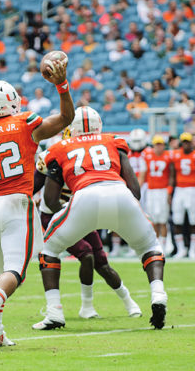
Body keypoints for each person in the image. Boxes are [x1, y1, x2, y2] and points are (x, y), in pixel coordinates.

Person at [0, 58, 74, 350]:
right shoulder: (25, 123)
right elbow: (65, 119)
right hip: (16, 203)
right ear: (10, 102)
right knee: (16, 270)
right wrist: (62, 86)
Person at [34, 107, 167, 332]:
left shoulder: (58, 148)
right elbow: (135, 189)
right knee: (150, 247)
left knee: (49, 250)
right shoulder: (113, 141)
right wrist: (121, 218)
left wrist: (76, 222)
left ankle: (55, 312)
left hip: (84, 196)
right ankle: (158, 294)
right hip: (119, 192)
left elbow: (49, 197)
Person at [34, 135, 142, 323]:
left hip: (78, 213)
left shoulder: (88, 160)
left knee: (101, 262)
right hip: (57, 214)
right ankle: (86, 306)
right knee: (86, 254)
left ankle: (129, 301)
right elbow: (39, 192)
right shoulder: (52, 159)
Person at [169, 132, 195, 258]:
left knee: (194, 221)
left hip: (192, 190)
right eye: (184, 142)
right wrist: (170, 193)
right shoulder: (175, 155)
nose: (185, 144)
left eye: (187, 142)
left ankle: (193, 250)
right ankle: (181, 249)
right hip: (179, 190)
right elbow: (172, 176)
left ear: (191, 142)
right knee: (177, 221)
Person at [141, 135, 172, 252]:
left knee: (162, 220)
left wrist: (169, 190)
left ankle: (163, 246)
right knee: (153, 220)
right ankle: (156, 245)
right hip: (151, 190)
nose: (159, 147)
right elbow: (143, 175)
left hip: (163, 190)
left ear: (164, 145)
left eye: (160, 144)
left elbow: (171, 175)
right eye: (156, 144)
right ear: (153, 146)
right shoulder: (147, 156)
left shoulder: (168, 156)